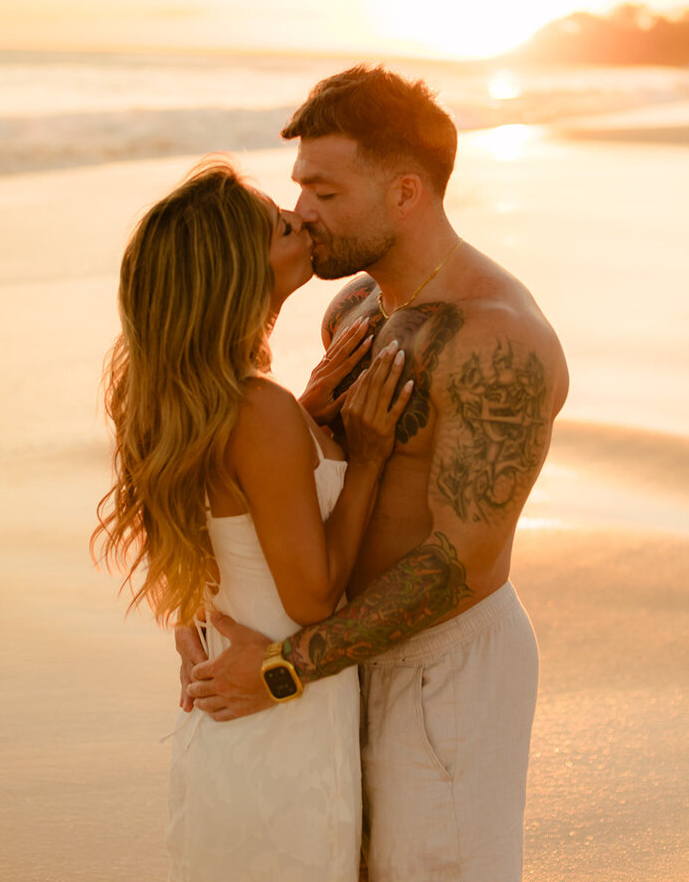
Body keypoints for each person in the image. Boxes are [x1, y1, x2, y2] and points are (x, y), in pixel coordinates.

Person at [180, 66, 569, 882]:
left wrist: (284, 670)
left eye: (323, 190)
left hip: (444, 672)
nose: (299, 213)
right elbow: (283, 474)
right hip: (339, 661)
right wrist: (203, 610)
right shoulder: (352, 310)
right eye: (298, 187)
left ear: (403, 194)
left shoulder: (500, 342)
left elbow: (457, 563)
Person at [91, 157, 413, 882]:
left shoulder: (206, 406)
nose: (301, 219)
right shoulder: (257, 411)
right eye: (279, 226)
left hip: (237, 740)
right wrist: (362, 459)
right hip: (282, 737)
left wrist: (304, 424)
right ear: (236, 271)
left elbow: (239, 525)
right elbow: (313, 599)